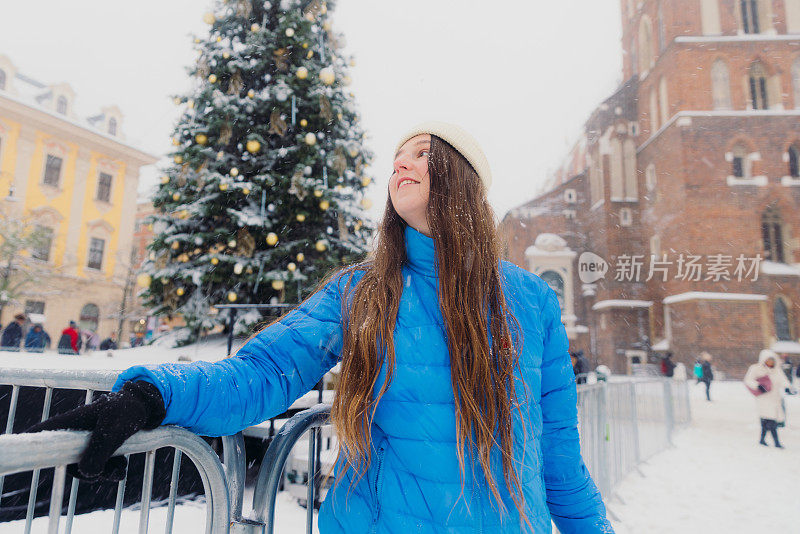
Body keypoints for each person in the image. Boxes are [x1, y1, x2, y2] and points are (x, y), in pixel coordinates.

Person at [24, 122, 613, 532]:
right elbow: (264, 372)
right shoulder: (363, 290)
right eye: (396, 158)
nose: (401, 164)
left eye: (422, 152)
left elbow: (559, 457)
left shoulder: (530, 301)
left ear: (462, 177)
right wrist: (154, 393)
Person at [744, 349, 792, 448]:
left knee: (766, 420)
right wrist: (757, 386)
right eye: (768, 360)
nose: (770, 362)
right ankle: (777, 442)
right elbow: (748, 380)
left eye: (772, 360)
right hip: (763, 398)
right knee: (771, 420)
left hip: (775, 398)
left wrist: (787, 387)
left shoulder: (777, 370)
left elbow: (783, 380)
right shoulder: (756, 368)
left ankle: (762, 439)